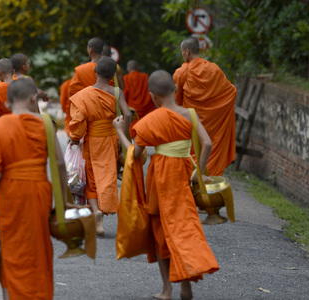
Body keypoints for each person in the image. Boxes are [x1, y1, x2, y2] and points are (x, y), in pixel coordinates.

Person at [113, 70, 219, 300]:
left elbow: (136, 154)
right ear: (176, 90)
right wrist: (197, 173)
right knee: (183, 226)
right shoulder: (190, 114)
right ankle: (186, 288)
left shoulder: (151, 120)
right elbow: (207, 143)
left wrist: (121, 133)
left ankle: (167, 290)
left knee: (161, 231)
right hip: (182, 173)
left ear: (152, 96)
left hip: (160, 177)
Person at [0, 78, 70, 299]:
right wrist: (65, 200)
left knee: (11, 247)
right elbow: (59, 163)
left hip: (10, 193)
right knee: (38, 245)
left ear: (8, 104)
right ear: (33, 99)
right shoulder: (45, 124)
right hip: (40, 191)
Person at [69, 57, 131, 236]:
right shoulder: (117, 92)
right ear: (113, 75)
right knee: (107, 177)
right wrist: (121, 134)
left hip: (92, 141)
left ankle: (96, 212)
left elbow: (78, 121)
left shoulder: (85, 94)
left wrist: (74, 139)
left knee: (92, 179)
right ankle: (102, 213)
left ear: (95, 72)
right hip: (111, 139)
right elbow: (127, 113)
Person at [173, 37, 237, 176]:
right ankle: (207, 184)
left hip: (192, 124)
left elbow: (176, 99)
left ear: (187, 51)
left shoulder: (181, 73)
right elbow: (231, 92)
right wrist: (217, 112)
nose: (182, 55)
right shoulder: (214, 69)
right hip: (213, 126)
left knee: (191, 154)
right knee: (209, 149)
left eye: (182, 52)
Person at [123, 60, 157, 138]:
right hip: (146, 110)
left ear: (128, 69)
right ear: (137, 68)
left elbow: (124, 95)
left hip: (133, 112)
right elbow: (151, 92)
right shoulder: (145, 77)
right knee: (147, 132)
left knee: (134, 135)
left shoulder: (126, 78)